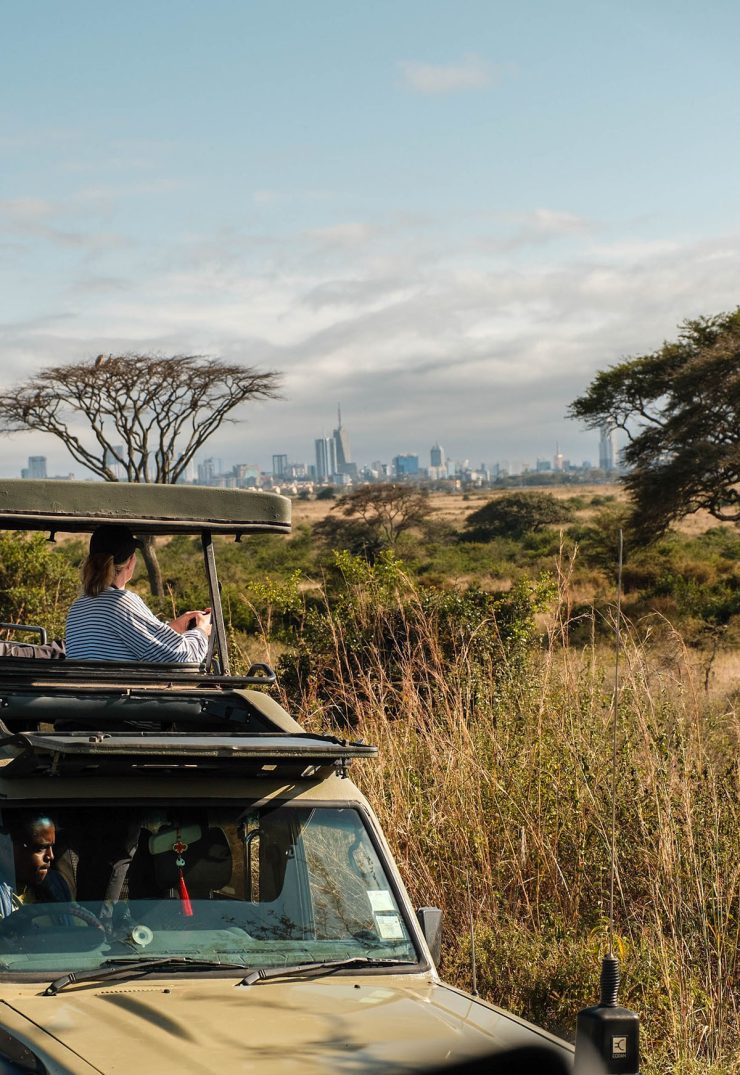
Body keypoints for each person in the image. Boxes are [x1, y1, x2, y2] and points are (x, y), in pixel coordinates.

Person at [65, 524, 211, 663]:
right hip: (121, 689)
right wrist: (201, 631)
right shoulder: (121, 603)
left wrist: (172, 629)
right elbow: (182, 658)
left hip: (88, 688)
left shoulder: (77, 607)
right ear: (130, 561)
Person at [0, 814, 69, 917]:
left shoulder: (56, 884)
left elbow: (76, 921)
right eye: (41, 848)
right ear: (6, 849)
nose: (51, 856)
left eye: (51, 847)